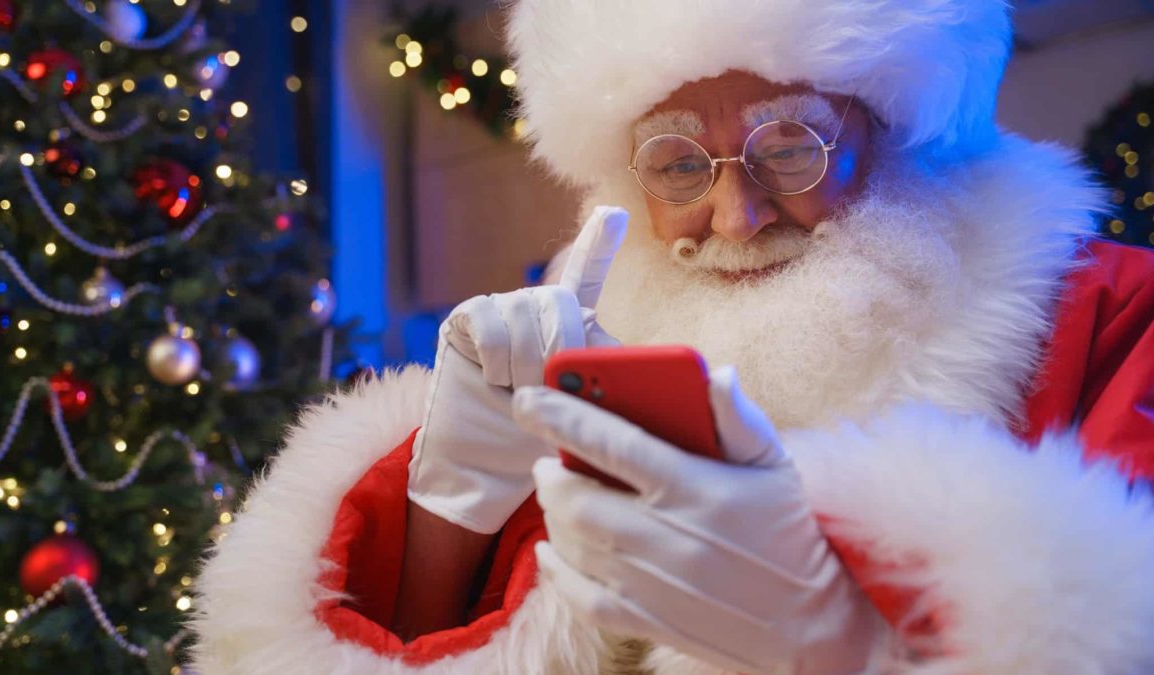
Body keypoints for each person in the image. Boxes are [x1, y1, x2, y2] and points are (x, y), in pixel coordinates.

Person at [189, 0, 1154, 672]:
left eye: (790, 145)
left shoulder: (1112, 313)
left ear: (893, 127)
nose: (736, 217)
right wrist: (450, 513)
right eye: (679, 165)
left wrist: (864, 646)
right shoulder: (580, 358)